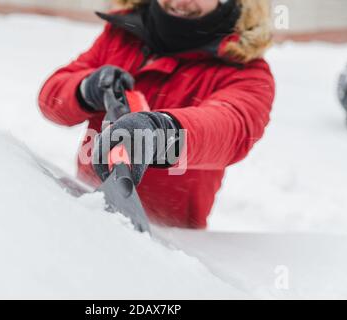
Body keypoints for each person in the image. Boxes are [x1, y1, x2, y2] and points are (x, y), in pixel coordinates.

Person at [38, 0, 275, 228]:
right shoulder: (122, 34)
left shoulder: (246, 70)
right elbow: (51, 99)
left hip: (169, 243)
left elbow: (231, 129)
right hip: (86, 207)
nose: (181, 1)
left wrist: (160, 133)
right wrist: (86, 88)